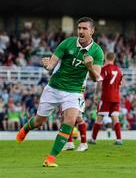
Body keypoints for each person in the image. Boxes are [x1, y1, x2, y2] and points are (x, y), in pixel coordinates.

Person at [16, 17, 104, 167]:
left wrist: (89, 67)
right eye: (79, 28)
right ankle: (26, 128)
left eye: (85, 28)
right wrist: (47, 65)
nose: (81, 31)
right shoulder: (67, 43)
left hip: (74, 91)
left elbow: (96, 78)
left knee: (70, 121)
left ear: (92, 31)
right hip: (54, 87)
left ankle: (50, 159)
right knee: (39, 121)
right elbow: (51, 65)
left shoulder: (97, 52)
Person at [88, 52, 123, 145]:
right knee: (115, 118)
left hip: (106, 96)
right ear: (114, 59)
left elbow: (99, 81)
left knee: (99, 117)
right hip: (116, 97)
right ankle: (119, 140)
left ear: (105, 59)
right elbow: (121, 83)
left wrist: (96, 94)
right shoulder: (119, 70)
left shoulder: (105, 69)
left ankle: (93, 139)